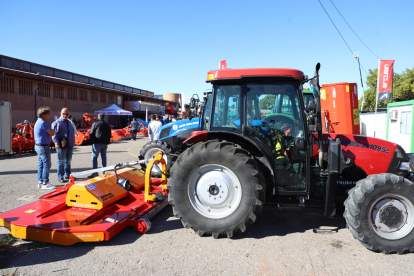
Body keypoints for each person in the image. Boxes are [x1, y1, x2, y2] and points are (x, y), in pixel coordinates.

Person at [34, 106, 56, 189]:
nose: (49, 115)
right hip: (43, 146)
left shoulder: (38, 121)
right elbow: (52, 133)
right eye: (48, 114)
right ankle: (45, 183)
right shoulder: (43, 122)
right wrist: (52, 130)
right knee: (47, 164)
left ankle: (40, 181)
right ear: (44, 114)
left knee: (41, 164)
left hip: (39, 146)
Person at [52, 107, 75, 183]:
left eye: (67, 114)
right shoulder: (57, 123)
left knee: (68, 161)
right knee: (61, 161)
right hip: (62, 145)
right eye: (63, 114)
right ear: (60, 113)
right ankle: (60, 176)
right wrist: (56, 143)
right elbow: (54, 134)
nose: (65, 115)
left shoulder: (69, 122)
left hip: (70, 145)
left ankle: (68, 175)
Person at [88, 113, 112, 178]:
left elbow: (91, 133)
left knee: (94, 157)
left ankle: (95, 172)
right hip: (105, 144)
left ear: (98, 118)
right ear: (104, 118)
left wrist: (92, 142)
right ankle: (103, 172)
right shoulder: (107, 125)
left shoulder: (95, 124)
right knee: (104, 157)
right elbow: (109, 134)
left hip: (97, 143)